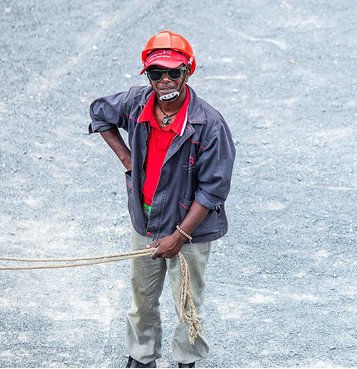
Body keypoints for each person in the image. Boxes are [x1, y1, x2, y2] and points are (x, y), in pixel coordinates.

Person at [88, 30, 236, 368]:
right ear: (147, 75)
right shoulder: (137, 103)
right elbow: (100, 113)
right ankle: (141, 357)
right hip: (146, 221)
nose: (165, 80)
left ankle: (186, 359)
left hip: (190, 232)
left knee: (188, 303)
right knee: (142, 298)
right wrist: (127, 160)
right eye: (157, 73)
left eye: (174, 72)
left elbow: (214, 189)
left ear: (188, 71)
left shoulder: (209, 125)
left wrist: (179, 236)